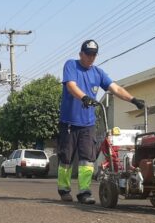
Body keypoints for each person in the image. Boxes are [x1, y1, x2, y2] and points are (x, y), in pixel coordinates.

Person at [57, 39, 145, 204]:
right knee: (66, 159)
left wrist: (133, 100)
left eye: (94, 55)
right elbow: (71, 85)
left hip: (88, 123)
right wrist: (84, 97)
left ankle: (84, 192)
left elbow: (116, 88)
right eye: (88, 54)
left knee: (87, 160)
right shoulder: (71, 65)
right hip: (69, 122)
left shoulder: (98, 73)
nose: (91, 57)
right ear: (81, 54)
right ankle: (64, 189)